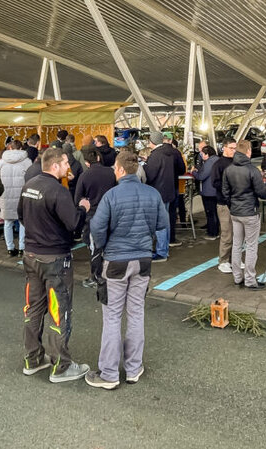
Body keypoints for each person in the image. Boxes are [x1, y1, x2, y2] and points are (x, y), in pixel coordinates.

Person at [85, 150, 168, 390]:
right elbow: (162, 223)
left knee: (112, 316)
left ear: (120, 170)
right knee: (136, 313)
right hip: (143, 260)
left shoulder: (112, 195)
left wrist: (104, 245)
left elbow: (97, 228)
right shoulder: (152, 193)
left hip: (115, 262)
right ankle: (133, 368)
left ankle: (109, 373)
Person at [17, 147, 91, 382]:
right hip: (55, 258)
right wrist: (83, 208)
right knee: (60, 310)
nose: (69, 167)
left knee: (34, 308)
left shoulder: (29, 186)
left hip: (31, 255)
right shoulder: (57, 191)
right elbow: (73, 223)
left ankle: (33, 358)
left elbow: (21, 216)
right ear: (55, 165)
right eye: (66, 163)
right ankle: (61, 366)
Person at [222, 139, 266, 290]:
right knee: (251, 246)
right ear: (249, 151)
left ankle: (237, 278)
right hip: (250, 212)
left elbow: (225, 192)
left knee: (237, 245)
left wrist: (232, 205)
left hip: (235, 212)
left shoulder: (228, 169)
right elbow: (261, 192)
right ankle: (250, 280)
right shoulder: (252, 170)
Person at [75, 144, 118, 288]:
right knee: (111, 245)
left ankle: (96, 276)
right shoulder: (111, 173)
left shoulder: (84, 175)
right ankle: (111, 274)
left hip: (93, 216)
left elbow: (77, 199)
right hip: (111, 214)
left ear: (87, 163)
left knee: (95, 247)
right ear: (99, 158)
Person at [145, 131, 186, 253]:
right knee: (168, 217)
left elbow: (150, 175)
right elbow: (182, 169)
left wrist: (144, 168)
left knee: (160, 221)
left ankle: (162, 250)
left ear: (152, 141)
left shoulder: (156, 155)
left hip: (158, 191)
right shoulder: (174, 152)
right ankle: (167, 242)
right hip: (171, 188)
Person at [0, 140, 29, 258]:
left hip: (5, 195)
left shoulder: (2, 161)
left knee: (7, 222)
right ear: (20, 148)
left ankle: (10, 248)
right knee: (22, 223)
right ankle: (22, 247)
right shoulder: (26, 161)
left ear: (10, 148)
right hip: (21, 195)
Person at [213, 137, 238, 272]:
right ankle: (223, 260)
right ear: (224, 148)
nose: (234, 151)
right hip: (224, 203)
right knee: (227, 233)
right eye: (231, 148)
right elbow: (215, 182)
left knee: (238, 233)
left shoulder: (237, 162)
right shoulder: (219, 164)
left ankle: (235, 259)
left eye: (235, 148)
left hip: (236, 202)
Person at [195, 144, 220, 239]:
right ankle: (214, 230)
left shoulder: (210, 162)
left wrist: (194, 172)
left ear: (207, 154)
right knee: (213, 212)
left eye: (202, 154)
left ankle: (212, 232)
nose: (201, 156)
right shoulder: (216, 160)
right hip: (214, 190)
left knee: (211, 212)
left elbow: (201, 176)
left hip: (209, 191)